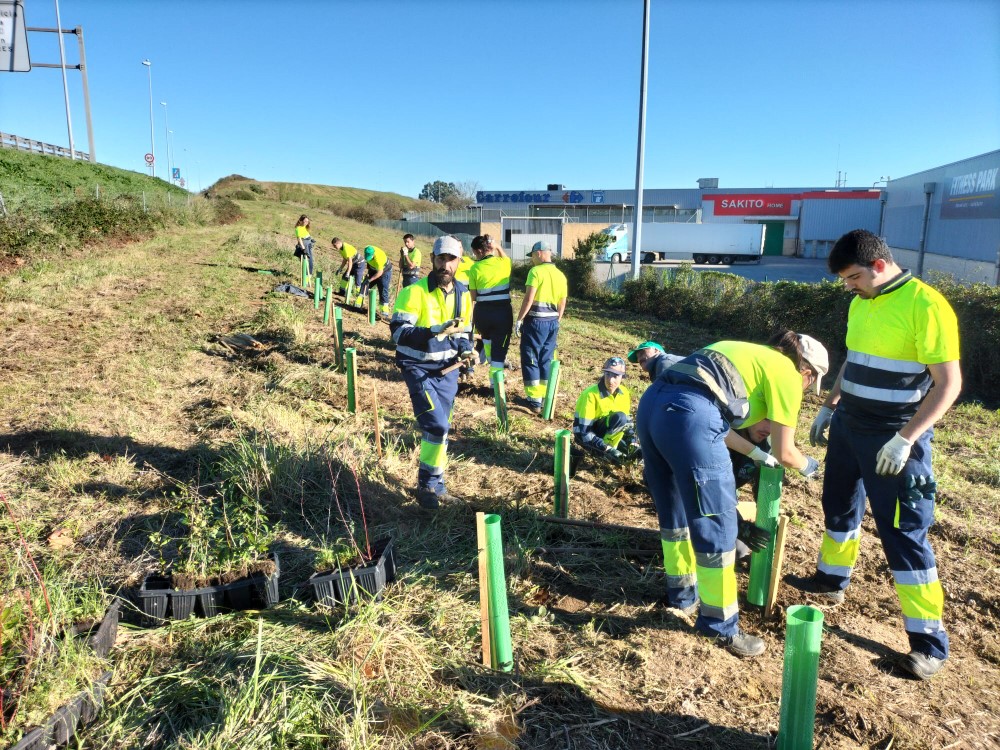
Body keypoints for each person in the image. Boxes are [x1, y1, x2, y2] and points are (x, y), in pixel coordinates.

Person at [792, 229, 962, 681]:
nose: (849, 286)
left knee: (904, 531)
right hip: (849, 426)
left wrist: (906, 438)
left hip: (894, 436)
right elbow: (854, 358)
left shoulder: (926, 306)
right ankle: (831, 580)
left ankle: (929, 643)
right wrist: (830, 406)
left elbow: (949, 385)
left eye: (853, 277)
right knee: (839, 506)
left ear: (880, 266)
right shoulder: (861, 302)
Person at [636, 331, 829, 657]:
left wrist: (755, 454)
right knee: (719, 524)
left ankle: (681, 597)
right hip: (691, 417)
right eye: (810, 384)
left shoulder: (743, 352)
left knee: (675, 514)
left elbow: (713, 416)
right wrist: (811, 466)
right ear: (807, 372)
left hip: (652, 406)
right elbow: (786, 452)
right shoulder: (787, 372)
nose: (806, 388)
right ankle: (719, 626)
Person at [390, 235, 475, 509]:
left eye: (451, 260)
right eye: (441, 259)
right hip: (417, 368)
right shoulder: (414, 292)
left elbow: (464, 333)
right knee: (437, 425)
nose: (445, 265)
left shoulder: (463, 294)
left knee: (440, 430)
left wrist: (466, 351)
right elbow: (398, 333)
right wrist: (432, 331)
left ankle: (435, 485)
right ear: (432, 259)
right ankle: (427, 485)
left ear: (459, 262)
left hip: (447, 371)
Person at [514, 241, 568, 413]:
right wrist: (557, 319)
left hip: (536, 321)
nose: (532, 260)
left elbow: (529, 298)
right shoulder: (560, 275)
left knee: (530, 357)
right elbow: (562, 302)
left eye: (532, 256)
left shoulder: (535, 272)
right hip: (552, 322)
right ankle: (545, 396)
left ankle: (534, 400)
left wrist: (519, 319)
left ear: (538, 253)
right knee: (546, 358)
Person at [572, 356, 640, 468]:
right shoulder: (590, 395)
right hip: (589, 437)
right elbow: (584, 433)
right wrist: (606, 448)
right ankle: (605, 454)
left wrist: (632, 441)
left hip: (611, 434)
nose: (610, 380)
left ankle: (616, 452)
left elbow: (627, 424)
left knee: (634, 454)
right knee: (620, 418)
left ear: (622, 377)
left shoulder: (624, 393)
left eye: (615, 376)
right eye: (607, 374)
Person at [467, 234, 513, 380]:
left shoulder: (474, 268)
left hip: (482, 313)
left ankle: (489, 357)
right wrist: (497, 246)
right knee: (500, 350)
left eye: (474, 253)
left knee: (486, 338)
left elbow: (473, 297)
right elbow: (505, 257)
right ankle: (495, 383)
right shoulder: (504, 263)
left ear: (479, 251)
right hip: (502, 313)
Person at [363, 245, 393, 318]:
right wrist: (368, 274)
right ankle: (359, 304)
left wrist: (370, 280)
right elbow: (368, 263)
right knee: (364, 285)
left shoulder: (379, 258)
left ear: (373, 254)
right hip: (373, 269)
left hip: (385, 271)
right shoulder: (368, 250)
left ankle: (384, 312)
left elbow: (380, 273)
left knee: (383, 289)